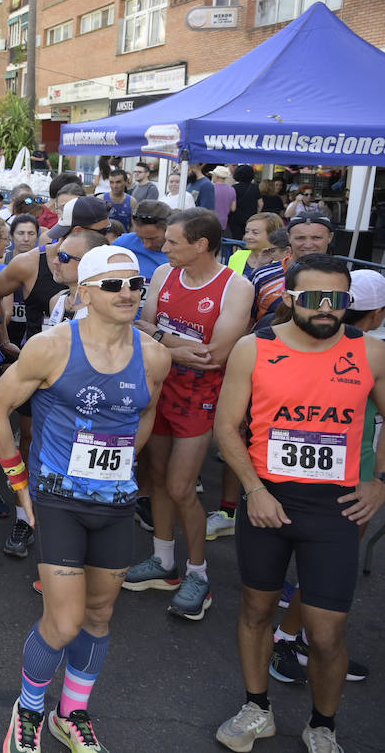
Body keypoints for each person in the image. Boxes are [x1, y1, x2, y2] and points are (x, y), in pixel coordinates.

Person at [0, 246, 170, 753]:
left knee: (99, 616)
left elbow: (145, 413)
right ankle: (28, 709)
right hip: (58, 500)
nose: (127, 293)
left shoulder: (155, 355)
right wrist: (19, 484)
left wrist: (122, 464)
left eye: (135, 284)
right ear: (83, 293)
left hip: (115, 504)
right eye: (113, 285)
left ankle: (71, 714)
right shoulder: (50, 347)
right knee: (64, 622)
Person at [212, 253, 385, 753]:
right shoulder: (254, 348)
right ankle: (257, 708)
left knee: (326, 634)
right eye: (313, 298)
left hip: (335, 506)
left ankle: (322, 725)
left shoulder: (371, 352)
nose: (326, 308)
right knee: (256, 609)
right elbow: (227, 427)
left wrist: (380, 483)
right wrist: (254, 490)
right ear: (290, 298)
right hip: (268, 498)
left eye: (337, 299)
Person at [125, 208, 253, 620]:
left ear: (201, 245)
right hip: (159, 385)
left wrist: (162, 338)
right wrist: (176, 346)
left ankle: (199, 574)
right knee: (158, 478)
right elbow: (140, 326)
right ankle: (164, 561)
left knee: (182, 487)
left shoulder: (236, 286)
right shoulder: (165, 274)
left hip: (201, 397)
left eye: (172, 242)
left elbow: (214, 356)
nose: (163, 247)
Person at [112, 200, 172, 281]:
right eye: (140, 238)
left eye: (152, 239)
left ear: (168, 230)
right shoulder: (122, 244)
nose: (146, 245)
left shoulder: (180, 252)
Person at [227, 212, 285, 276]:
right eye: (247, 232)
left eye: (255, 233)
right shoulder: (237, 256)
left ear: (272, 235)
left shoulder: (280, 262)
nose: (248, 237)